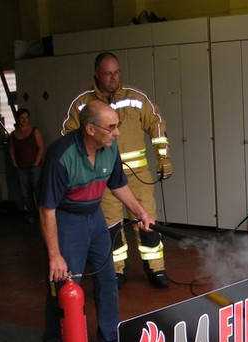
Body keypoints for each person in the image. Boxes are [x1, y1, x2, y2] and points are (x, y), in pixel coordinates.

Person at [40, 100, 153, 342]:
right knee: (64, 282)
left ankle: (110, 341)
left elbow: (117, 184)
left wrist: (139, 211)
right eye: (111, 127)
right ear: (90, 129)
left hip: (95, 216)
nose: (117, 133)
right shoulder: (61, 155)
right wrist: (54, 255)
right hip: (67, 220)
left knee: (107, 279)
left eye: (117, 126)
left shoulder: (109, 149)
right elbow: (47, 210)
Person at [61, 52, 172, 289]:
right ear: (96, 75)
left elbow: (157, 125)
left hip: (138, 176)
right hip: (103, 176)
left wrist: (163, 158)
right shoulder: (83, 104)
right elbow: (69, 136)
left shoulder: (136, 98)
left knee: (147, 221)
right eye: (108, 73)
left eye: (117, 72)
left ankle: (156, 269)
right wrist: (83, 167)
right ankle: (116, 271)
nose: (114, 78)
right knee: (110, 226)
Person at [8, 108, 44, 224]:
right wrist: (14, 163)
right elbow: (12, 150)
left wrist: (35, 163)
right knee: (25, 192)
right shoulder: (14, 134)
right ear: (18, 119)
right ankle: (32, 215)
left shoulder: (34, 131)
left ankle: (42, 216)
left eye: (26, 118)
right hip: (21, 167)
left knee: (37, 191)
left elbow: (41, 148)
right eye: (21, 118)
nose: (24, 120)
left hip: (34, 167)